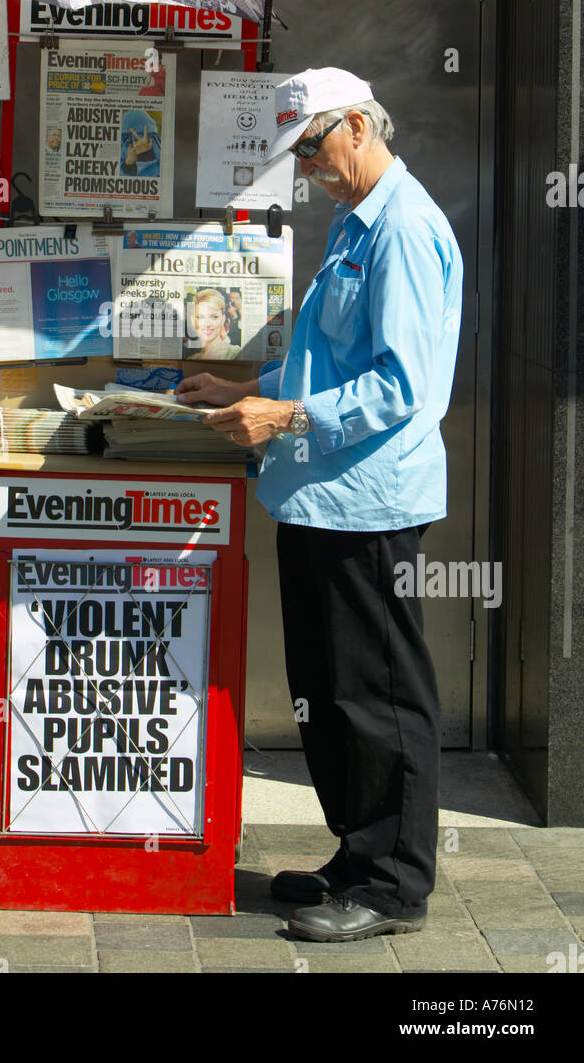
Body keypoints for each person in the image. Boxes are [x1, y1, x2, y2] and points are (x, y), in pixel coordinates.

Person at [176, 67, 463, 943]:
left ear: (357, 127)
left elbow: (402, 387)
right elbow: (327, 366)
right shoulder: (352, 224)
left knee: (377, 694)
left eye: (310, 149)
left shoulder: (403, 229)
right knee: (329, 690)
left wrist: (285, 415)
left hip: (366, 502)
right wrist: (242, 387)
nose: (305, 169)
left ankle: (393, 885)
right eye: (295, 155)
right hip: (316, 497)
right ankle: (357, 850)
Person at [186, 288, 241, 361]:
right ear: (193, 321)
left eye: (214, 317)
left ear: (222, 319)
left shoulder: (238, 354)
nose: (207, 324)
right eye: (200, 317)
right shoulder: (191, 359)